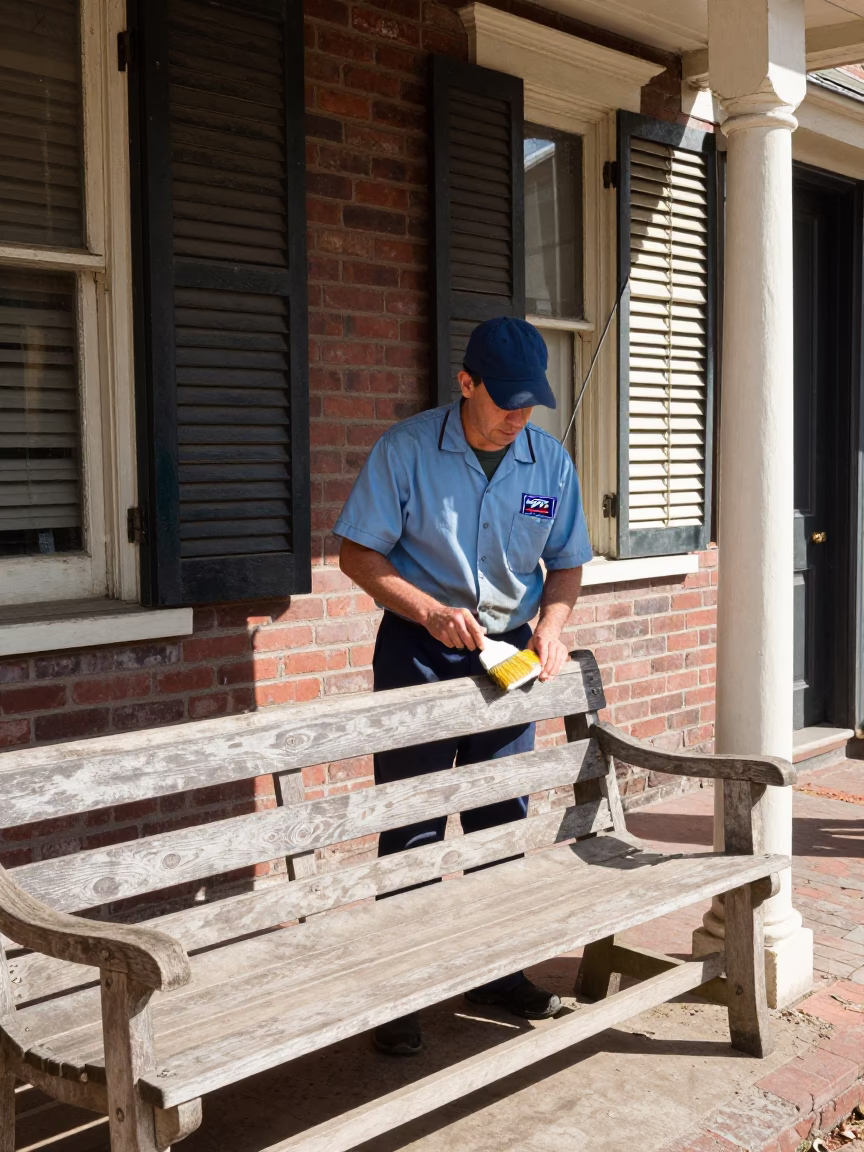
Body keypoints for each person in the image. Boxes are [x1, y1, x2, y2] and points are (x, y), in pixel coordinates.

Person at [334, 316, 593, 1056]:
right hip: (420, 650)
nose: (519, 415)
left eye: (529, 402)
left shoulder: (549, 464)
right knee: (413, 820)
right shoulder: (406, 451)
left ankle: (495, 969)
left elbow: (567, 561)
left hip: (508, 656)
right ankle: (399, 988)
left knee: (498, 815)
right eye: (504, 399)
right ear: (466, 383)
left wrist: (552, 624)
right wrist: (427, 610)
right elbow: (358, 555)